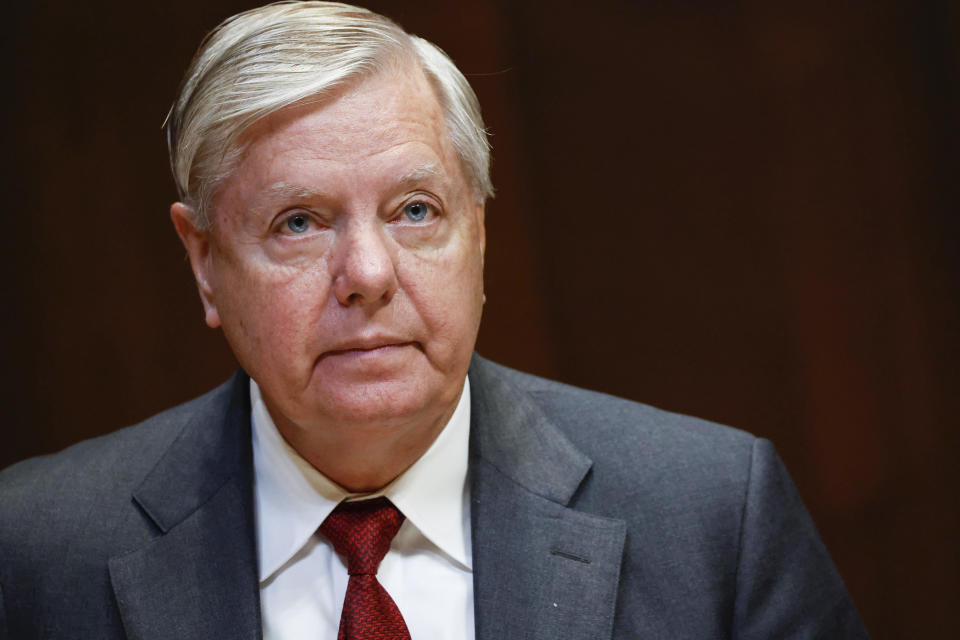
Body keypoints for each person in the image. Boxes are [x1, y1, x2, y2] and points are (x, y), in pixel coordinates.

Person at [0, 2, 869, 638]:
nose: (369, 275)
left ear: (479, 232)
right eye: (298, 222)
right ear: (204, 263)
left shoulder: (712, 515)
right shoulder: (35, 551)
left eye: (416, 211)